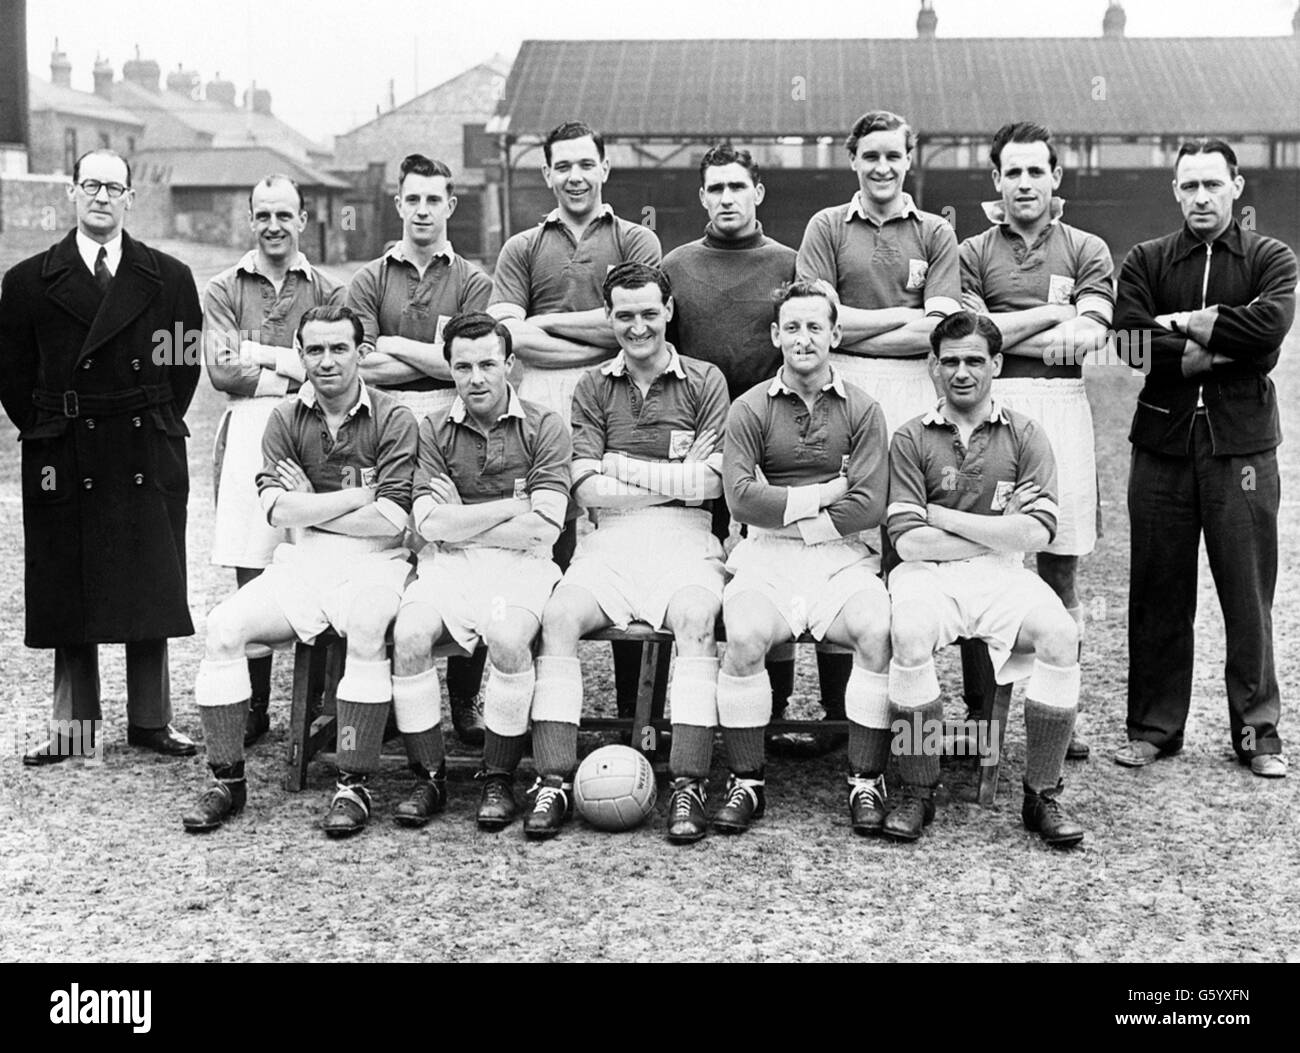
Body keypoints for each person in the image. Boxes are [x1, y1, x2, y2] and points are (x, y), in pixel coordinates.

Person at [181, 305, 418, 835]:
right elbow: (278, 511)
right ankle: (227, 780)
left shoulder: (394, 417)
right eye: (314, 350)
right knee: (222, 629)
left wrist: (313, 502)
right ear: (300, 355)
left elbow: (392, 521)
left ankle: (352, 784)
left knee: (366, 630)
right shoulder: (284, 418)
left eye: (339, 349)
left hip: (377, 566)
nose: (327, 361)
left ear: (360, 353)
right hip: (301, 563)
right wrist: (357, 494)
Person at [0, 148, 202, 764]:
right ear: (71, 193)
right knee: (68, 587)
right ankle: (74, 728)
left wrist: (155, 418)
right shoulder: (28, 280)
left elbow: (183, 365)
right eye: (91, 185)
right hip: (66, 450)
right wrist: (50, 427)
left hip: (145, 445)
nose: (102, 197)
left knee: (153, 582)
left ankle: (150, 720)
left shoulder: (170, 276)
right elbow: (11, 374)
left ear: (130, 199)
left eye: (114, 187)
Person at [1113, 138, 1296, 779]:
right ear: (1175, 191)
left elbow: (1269, 330)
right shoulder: (1147, 259)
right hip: (1162, 443)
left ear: (1235, 187)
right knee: (1158, 590)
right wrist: (1222, 337)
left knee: (1247, 592)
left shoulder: (1271, 257)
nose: (1200, 197)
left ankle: (1258, 734)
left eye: (1212, 185)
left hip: (1240, 448)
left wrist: (1186, 322)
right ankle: (1155, 729)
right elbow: (1133, 343)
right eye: (1189, 186)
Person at [532, 262, 729, 842]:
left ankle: (688, 782)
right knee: (559, 616)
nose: (638, 326)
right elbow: (587, 489)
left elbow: (712, 485)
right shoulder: (593, 385)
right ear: (609, 318)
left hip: (686, 535)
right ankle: (552, 779)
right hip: (610, 539)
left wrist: (621, 466)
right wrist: (674, 475)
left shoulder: (706, 379)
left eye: (649, 313)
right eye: (624, 315)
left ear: (668, 310)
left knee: (696, 619)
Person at [662, 143, 850, 751]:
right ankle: (684, 716)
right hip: (696, 442)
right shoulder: (677, 264)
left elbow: (809, 342)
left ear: (758, 193)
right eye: (714, 189)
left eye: (736, 187)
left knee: (798, 561)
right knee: (699, 579)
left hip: (777, 435)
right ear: (701, 198)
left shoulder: (791, 264)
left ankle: (819, 715)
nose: (726, 199)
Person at [885, 311, 1084, 847]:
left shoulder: (1025, 433)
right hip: (926, 576)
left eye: (975, 360)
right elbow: (907, 541)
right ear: (932, 367)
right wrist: (1001, 528)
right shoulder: (909, 437)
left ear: (996, 364)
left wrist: (942, 515)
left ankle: (1041, 793)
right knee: (907, 636)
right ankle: (917, 789)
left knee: (1062, 637)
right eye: (949, 361)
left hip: (1002, 576)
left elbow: (1039, 532)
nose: (962, 372)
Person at [489, 120, 662, 717]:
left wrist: (551, 325)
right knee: (546, 534)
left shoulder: (637, 240)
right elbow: (511, 338)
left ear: (604, 169)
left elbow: (637, 326)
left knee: (622, 530)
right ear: (547, 175)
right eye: (563, 166)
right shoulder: (522, 247)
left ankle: (634, 712)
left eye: (586, 164)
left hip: (620, 391)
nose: (575, 176)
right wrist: (600, 332)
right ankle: (541, 699)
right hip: (541, 396)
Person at [958, 122, 1114, 761]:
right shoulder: (971, 251)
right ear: (996, 181)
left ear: (1055, 178)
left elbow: (1091, 334)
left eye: (1035, 171)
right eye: (1011, 172)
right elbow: (972, 341)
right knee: (980, 564)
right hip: (990, 411)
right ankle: (977, 721)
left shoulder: (1087, 247)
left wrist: (1016, 330)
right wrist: (1055, 314)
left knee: (1061, 564)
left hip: (1061, 407)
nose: (1024, 183)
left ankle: (1056, 712)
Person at [716, 281, 891, 835]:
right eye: (792, 327)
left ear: (836, 334)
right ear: (775, 335)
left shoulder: (863, 408)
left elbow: (869, 505)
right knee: (743, 637)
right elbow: (740, 498)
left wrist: (789, 511)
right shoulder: (749, 407)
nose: (804, 338)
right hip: (766, 555)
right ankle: (746, 780)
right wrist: (825, 493)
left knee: (875, 631)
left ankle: (866, 779)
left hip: (842, 557)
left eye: (816, 327)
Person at [388, 313, 571, 829]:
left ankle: (498, 776)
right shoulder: (432, 427)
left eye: (489, 364)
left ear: (510, 365)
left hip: (523, 566)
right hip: (449, 565)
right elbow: (426, 522)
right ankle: (429, 776)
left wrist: (459, 519)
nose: (477, 378)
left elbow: (545, 529)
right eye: (463, 366)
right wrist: (512, 506)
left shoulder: (545, 425)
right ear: (449, 369)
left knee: (510, 640)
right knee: (409, 635)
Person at [346, 153, 492, 745]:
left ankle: (463, 698)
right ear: (398, 203)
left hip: (456, 417)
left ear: (450, 207)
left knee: (455, 547)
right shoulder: (369, 278)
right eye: (414, 199)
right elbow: (359, 362)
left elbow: (469, 363)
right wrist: (429, 356)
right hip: (384, 420)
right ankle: (379, 696)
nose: (424, 210)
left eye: (435, 200)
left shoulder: (473, 279)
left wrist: (398, 343)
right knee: (387, 546)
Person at [204, 174, 345, 747]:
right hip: (247, 429)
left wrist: (261, 354)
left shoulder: (328, 288)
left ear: (303, 220)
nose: (273, 226)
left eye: (284, 215)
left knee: (317, 553)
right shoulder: (222, 287)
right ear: (250, 219)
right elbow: (221, 371)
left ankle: (313, 704)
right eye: (263, 215)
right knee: (253, 561)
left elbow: (337, 363)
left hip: (314, 427)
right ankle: (257, 703)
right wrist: (297, 366)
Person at [795, 109, 960, 437]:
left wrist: (843, 332)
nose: (882, 168)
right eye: (871, 156)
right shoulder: (826, 226)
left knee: (909, 485)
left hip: (915, 381)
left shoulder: (937, 230)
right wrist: (907, 314)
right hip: (839, 380)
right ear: (853, 160)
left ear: (909, 160)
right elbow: (815, 323)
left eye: (893, 156)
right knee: (846, 485)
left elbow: (939, 332)